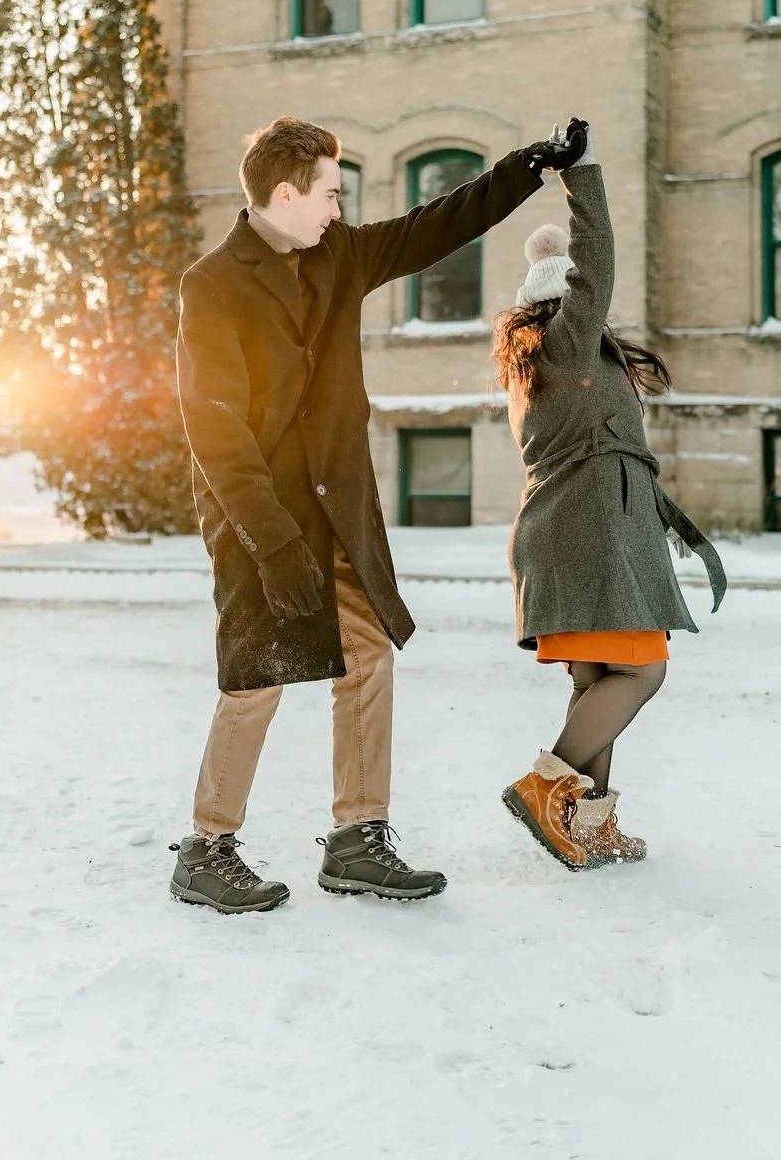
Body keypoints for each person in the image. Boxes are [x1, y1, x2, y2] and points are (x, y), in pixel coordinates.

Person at [169, 114, 587, 913]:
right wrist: (272, 542)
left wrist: (529, 165)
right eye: (330, 192)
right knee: (257, 679)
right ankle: (206, 846)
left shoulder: (341, 254)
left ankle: (358, 838)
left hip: (339, 505)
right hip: (259, 515)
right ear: (285, 192)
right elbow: (213, 427)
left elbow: (436, 226)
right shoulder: (211, 283)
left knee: (368, 657)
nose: (338, 207)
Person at [493, 119, 726, 871]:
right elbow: (596, 265)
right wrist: (580, 177)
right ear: (561, 309)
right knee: (642, 672)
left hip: (580, 531)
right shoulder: (565, 344)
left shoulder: (553, 367)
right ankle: (545, 789)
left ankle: (587, 825)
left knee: (601, 677)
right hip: (587, 532)